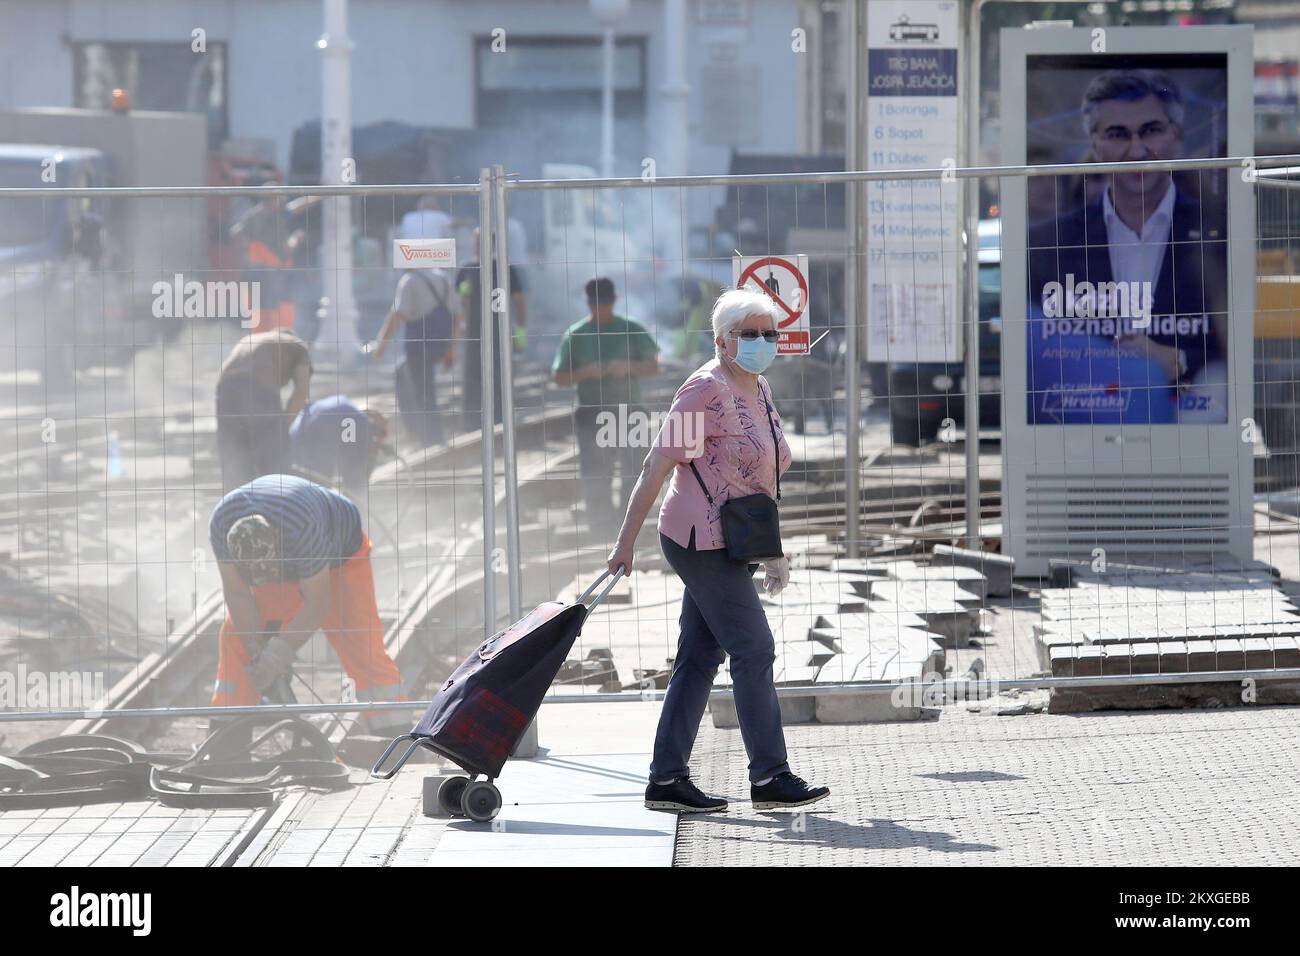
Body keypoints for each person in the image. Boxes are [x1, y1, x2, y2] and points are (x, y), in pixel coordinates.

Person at [605, 288, 830, 814]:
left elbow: (764, 476)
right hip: (698, 540)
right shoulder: (702, 390)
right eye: (748, 334)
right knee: (754, 650)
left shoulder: (758, 386)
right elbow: (656, 465)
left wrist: (773, 549)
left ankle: (666, 781)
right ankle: (770, 776)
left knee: (701, 656)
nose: (761, 342)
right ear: (722, 340)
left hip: (735, 541)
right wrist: (624, 543)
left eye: (768, 333)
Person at [1027, 69, 1228, 418]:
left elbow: (1238, 341)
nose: (1136, 150)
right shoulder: (1046, 244)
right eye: (1118, 135)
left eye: (1151, 131)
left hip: (1193, 426)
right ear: (1095, 147)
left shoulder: (1219, 233)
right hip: (1086, 426)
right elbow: (1038, 350)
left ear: (1176, 138)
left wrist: (1178, 360)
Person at [209, 474, 404, 731]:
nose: (266, 579)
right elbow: (238, 594)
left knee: (360, 644)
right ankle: (227, 736)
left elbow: (319, 605)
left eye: (268, 570)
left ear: (278, 540)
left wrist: (276, 656)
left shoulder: (301, 527)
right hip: (289, 554)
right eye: (257, 574)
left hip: (341, 556)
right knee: (237, 639)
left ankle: (392, 733)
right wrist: (257, 649)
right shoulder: (222, 526)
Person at [553, 277, 660, 533]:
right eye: (595, 305)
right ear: (588, 304)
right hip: (592, 413)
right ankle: (601, 527)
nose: (600, 309)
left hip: (630, 411)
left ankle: (630, 524)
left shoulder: (631, 328)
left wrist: (628, 367)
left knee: (635, 470)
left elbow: (653, 367)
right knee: (595, 473)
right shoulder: (576, 335)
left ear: (614, 301)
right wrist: (585, 372)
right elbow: (559, 377)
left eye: (604, 304)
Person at [368, 265, 459, 447]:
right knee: (405, 375)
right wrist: (451, 349)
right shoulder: (443, 278)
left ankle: (429, 439)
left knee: (421, 391)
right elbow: (457, 316)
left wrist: (381, 345)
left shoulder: (410, 281)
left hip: (419, 344)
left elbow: (397, 315)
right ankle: (425, 435)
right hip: (440, 342)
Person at [216, 329, 313, 494]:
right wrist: (283, 427)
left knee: (234, 461)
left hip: (225, 394)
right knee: (275, 468)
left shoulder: (249, 340)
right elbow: (301, 392)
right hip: (259, 389)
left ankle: (235, 510)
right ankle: (276, 506)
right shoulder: (297, 346)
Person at [457, 228, 528, 432]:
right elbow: (459, 301)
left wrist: (520, 331)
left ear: (494, 245)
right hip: (473, 334)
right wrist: (459, 325)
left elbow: (520, 301)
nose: (481, 246)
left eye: (486, 242)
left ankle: (500, 422)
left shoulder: (505, 269)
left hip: (500, 335)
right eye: (478, 242)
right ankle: (471, 425)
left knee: (499, 377)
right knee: (472, 378)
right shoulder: (467, 270)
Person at [290, 395, 389, 497]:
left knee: (301, 486)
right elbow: (355, 481)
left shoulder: (344, 405)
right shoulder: (360, 423)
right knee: (319, 492)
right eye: (381, 434)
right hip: (319, 436)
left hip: (298, 431)